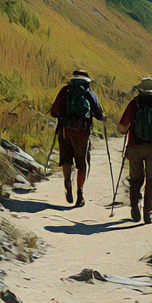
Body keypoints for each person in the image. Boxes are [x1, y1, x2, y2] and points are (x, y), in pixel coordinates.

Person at [48, 69, 105, 207]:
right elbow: (99, 114)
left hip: (65, 131)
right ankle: (80, 193)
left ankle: (67, 181)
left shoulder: (65, 91)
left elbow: (53, 112)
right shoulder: (89, 93)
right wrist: (102, 116)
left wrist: (63, 116)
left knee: (67, 160)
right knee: (81, 164)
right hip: (82, 133)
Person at [118, 76, 152, 223]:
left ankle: (135, 208)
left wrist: (126, 131)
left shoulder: (134, 104)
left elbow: (122, 127)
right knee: (150, 179)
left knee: (135, 178)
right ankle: (148, 213)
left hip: (134, 146)